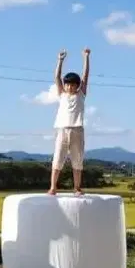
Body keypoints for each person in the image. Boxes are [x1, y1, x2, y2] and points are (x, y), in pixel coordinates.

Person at [48, 48, 90, 196]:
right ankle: (53, 187)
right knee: (58, 158)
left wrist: (86, 57)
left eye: (73, 84)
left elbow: (85, 76)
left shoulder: (81, 94)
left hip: (77, 129)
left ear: (77, 85)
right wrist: (60, 60)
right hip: (62, 130)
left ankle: (77, 188)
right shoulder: (62, 94)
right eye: (68, 84)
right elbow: (57, 78)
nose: (70, 87)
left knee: (77, 160)